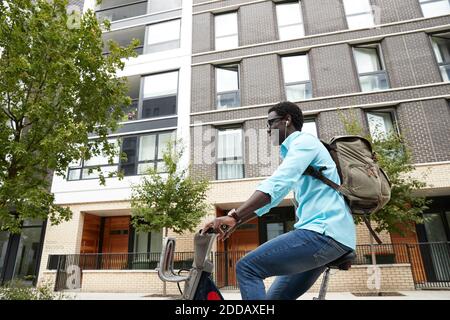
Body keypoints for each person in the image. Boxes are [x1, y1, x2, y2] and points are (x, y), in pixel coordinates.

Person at [202, 101, 356, 300]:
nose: (268, 130)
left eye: (271, 123)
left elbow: (278, 183)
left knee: (247, 267)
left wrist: (235, 215)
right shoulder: (300, 149)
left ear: (287, 120)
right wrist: (235, 220)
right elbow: (273, 199)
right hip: (332, 237)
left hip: (323, 233)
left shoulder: (303, 142)